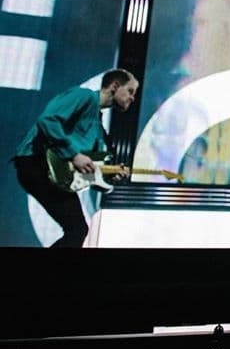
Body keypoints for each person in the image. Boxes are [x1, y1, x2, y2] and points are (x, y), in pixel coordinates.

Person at [11, 69, 139, 247]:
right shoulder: (83, 96)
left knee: (77, 229)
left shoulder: (98, 127)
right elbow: (48, 120)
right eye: (130, 91)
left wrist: (110, 175)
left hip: (53, 173)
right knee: (77, 229)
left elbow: (87, 169)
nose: (132, 98)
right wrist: (73, 154)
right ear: (114, 86)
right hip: (36, 164)